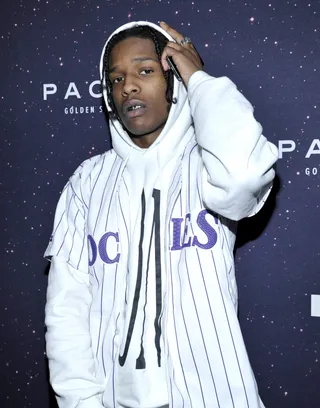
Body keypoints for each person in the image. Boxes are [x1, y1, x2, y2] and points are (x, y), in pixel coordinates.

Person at [45, 20, 278, 408]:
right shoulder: (87, 182)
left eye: (145, 70)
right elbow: (66, 306)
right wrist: (80, 402)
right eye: (116, 78)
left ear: (174, 81)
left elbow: (243, 178)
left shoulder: (207, 164)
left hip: (211, 396)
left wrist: (199, 79)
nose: (129, 86)